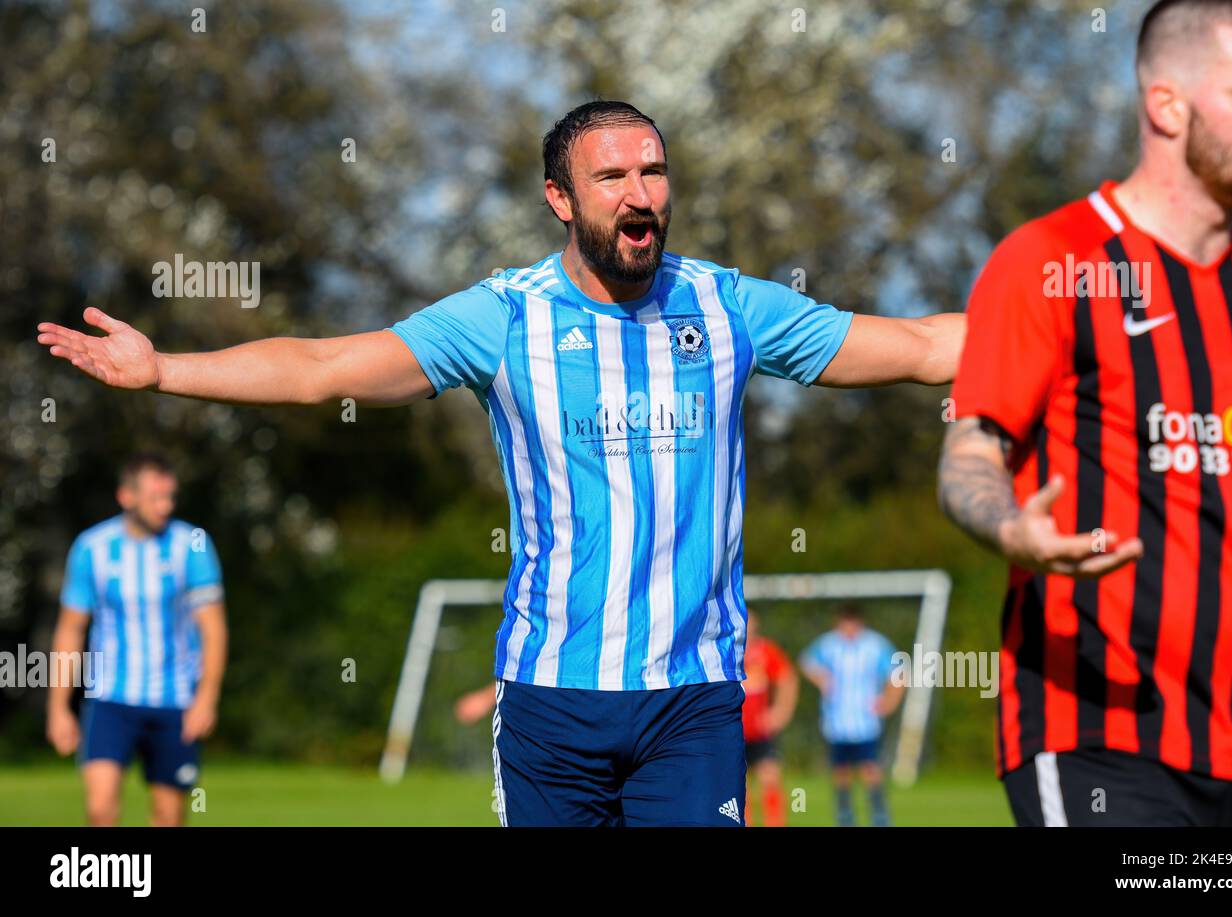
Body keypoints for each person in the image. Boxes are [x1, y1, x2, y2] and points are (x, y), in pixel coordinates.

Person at [37, 100, 964, 827]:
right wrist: (164, 370)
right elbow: (324, 367)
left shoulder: (728, 307)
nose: (640, 193)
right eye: (611, 177)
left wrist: (1069, 322)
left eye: (653, 170)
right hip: (551, 700)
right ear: (561, 198)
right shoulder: (504, 318)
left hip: (696, 697)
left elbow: (922, 346)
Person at [938, 0, 1232, 826]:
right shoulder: (1054, 259)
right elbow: (970, 452)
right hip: (1093, 729)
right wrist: (1011, 530)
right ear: (1167, 105)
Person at [46, 453, 228, 826]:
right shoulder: (92, 547)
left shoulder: (190, 545)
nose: (165, 506)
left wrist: (206, 698)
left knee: (169, 816)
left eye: (170, 497)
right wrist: (58, 706)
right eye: (155, 497)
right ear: (126, 497)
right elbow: (71, 629)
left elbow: (213, 628)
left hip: (175, 698)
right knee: (100, 808)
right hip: (111, 697)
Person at [800, 605, 903, 826]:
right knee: (841, 770)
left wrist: (889, 700)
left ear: (860, 623)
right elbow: (806, 661)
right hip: (836, 721)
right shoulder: (828, 644)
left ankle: (879, 816)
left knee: (870, 768)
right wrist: (821, 679)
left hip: (866, 720)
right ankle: (845, 816)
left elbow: (898, 671)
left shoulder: (875, 645)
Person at [740, 610, 798, 826]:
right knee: (739, 785)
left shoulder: (766, 651)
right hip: (734, 730)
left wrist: (780, 712)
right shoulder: (726, 651)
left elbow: (787, 679)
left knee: (770, 777)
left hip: (760, 730)